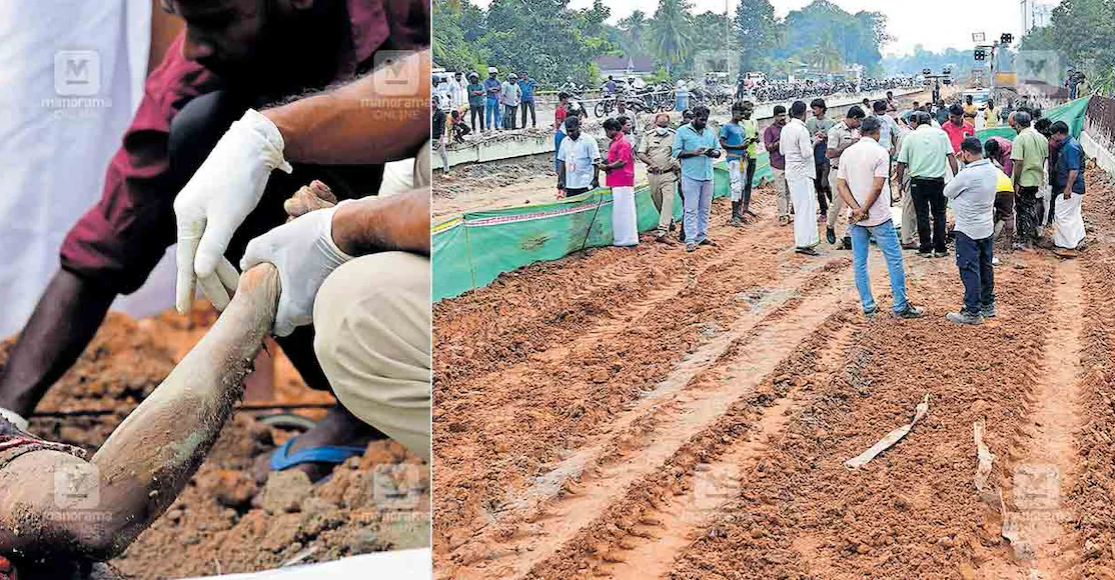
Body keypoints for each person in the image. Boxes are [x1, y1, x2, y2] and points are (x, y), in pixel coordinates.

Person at [0, 1, 429, 483]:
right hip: (377, 255)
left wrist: (347, 224)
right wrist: (8, 414)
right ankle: (355, 403)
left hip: (429, 229)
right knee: (199, 128)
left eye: (216, 19)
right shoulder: (196, 74)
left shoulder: (414, 16)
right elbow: (107, 242)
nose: (192, 46)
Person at [835, 116, 925, 319]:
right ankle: (900, 305)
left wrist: (856, 210)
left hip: (856, 218)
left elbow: (841, 186)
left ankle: (868, 305)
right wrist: (865, 208)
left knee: (860, 262)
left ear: (860, 131)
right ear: (876, 132)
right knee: (893, 260)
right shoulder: (880, 153)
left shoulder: (848, 153)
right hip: (879, 216)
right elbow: (877, 186)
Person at [943, 137, 998, 325]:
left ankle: (972, 311)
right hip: (986, 226)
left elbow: (948, 192)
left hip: (968, 228)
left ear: (965, 153)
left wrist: (960, 165)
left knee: (969, 268)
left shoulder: (967, 174)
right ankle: (987, 304)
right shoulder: (992, 170)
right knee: (985, 265)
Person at [896, 111, 958, 258]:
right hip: (938, 181)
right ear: (930, 121)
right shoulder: (941, 135)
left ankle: (925, 248)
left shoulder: (910, 136)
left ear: (916, 122)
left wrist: (899, 182)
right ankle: (940, 248)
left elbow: (901, 163)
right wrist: (956, 176)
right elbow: (951, 156)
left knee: (922, 215)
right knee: (940, 215)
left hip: (918, 182)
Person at [672, 105, 721, 253]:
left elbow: (718, 151)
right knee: (691, 209)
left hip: (707, 174)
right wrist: (694, 152)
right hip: (690, 175)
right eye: (701, 119)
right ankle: (690, 239)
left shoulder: (710, 131)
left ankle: (702, 235)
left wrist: (713, 153)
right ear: (694, 117)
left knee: (705, 208)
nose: (704, 122)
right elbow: (676, 152)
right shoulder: (682, 131)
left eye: (706, 120)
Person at [782, 100, 821, 255]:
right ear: (805, 113)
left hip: (791, 171)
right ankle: (805, 243)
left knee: (800, 208)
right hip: (803, 172)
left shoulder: (786, 128)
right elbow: (806, 153)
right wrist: (815, 142)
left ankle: (803, 241)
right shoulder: (801, 130)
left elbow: (783, 151)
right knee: (806, 208)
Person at [825, 106, 866, 249]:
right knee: (837, 202)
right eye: (859, 120)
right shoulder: (835, 131)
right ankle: (830, 226)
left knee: (854, 203)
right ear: (854, 118)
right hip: (837, 171)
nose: (860, 123)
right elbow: (830, 153)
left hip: (853, 171)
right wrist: (850, 145)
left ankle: (849, 235)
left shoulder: (858, 132)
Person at [639, 112, 680, 243]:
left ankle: (662, 231)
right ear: (654, 124)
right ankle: (670, 220)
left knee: (668, 201)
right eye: (660, 125)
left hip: (668, 174)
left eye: (665, 125)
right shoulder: (648, 136)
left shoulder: (674, 136)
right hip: (653, 175)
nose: (662, 128)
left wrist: (677, 165)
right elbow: (640, 153)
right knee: (658, 201)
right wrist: (652, 163)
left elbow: (678, 152)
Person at [1009, 111, 1048, 249]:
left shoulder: (1020, 139)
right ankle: (1032, 235)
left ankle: (1026, 242)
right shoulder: (1041, 137)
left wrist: (1017, 182)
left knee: (1022, 210)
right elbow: (1044, 159)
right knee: (1031, 206)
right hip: (1036, 178)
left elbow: (1018, 162)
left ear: (1018, 125)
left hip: (1024, 180)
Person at [597, 118, 638, 247]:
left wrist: (607, 167)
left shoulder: (623, 143)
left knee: (624, 211)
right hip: (616, 180)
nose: (606, 134)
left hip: (622, 180)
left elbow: (622, 161)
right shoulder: (615, 142)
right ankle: (621, 238)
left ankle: (627, 239)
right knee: (620, 211)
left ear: (612, 130)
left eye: (606, 131)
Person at [1048, 121, 1086, 257]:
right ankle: (1078, 238)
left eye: (1053, 135)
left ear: (1059, 133)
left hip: (1071, 187)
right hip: (1076, 187)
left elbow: (1074, 170)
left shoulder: (1070, 147)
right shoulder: (1070, 144)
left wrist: (1068, 188)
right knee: (1073, 213)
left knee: (1062, 215)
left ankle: (1068, 247)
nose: (1052, 138)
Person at [719, 102, 750, 226]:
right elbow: (722, 143)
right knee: (736, 185)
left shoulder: (741, 127)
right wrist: (738, 147)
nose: (742, 115)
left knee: (741, 185)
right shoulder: (727, 127)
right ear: (734, 112)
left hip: (742, 159)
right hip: (733, 159)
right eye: (740, 113)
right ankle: (734, 214)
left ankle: (738, 212)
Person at [806, 98, 836, 223]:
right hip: (814, 156)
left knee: (824, 183)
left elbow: (835, 139)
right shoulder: (810, 123)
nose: (813, 110)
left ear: (822, 109)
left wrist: (826, 137)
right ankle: (824, 210)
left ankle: (834, 204)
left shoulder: (831, 123)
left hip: (826, 156)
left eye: (815, 108)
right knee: (818, 185)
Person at [556, 116, 600, 199]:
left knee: (587, 207)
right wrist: (560, 179)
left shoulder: (589, 140)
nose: (570, 134)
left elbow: (596, 161)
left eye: (572, 131)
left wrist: (595, 179)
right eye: (568, 131)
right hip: (570, 183)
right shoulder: (564, 141)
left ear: (578, 127)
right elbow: (561, 161)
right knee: (572, 208)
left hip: (585, 183)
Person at [984, 137, 1015, 245]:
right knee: (1008, 215)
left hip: (993, 188)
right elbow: (1007, 175)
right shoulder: (992, 143)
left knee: (987, 213)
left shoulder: (1007, 154)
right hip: (1007, 188)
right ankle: (1008, 243)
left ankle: (988, 240)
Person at [764, 105, 791, 226]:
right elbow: (768, 147)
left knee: (789, 190)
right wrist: (780, 142)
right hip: (777, 164)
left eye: (784, 115)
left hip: (789, 163)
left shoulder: (788, 128)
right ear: (774, 116)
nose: (782, 118)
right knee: (781, 191)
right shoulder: (769, 130)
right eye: (780, 115)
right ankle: (782, 215)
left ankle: (787, 213)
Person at [873, 100, 899, 201]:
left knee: (874, 177)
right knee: (886, 176)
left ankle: (877, 199)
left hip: (873, 152)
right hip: (886, 152)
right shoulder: (889, 119)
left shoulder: (871, 119)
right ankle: (889, 200)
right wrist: (895, 147)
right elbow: (895, 134)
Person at [432, 95, 449, 173]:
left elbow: (442, 127)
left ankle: (446, 170)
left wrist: (440, 140)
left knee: (442, 154)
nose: (432, 104)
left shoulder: (441, 113)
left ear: (437, 103)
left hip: (437, 137)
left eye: (433, 102)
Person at [485, 66, 502, 132]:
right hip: (490, 98)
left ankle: (497, 126)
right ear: (490, 74)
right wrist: (494, 89)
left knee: (497, 113)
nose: (494, 75)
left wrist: (493, 89)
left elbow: (499, 88)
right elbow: (488, 89)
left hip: (497, 98)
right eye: (492, 73)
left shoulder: (497, 81)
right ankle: (488, 126)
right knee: (489, 113)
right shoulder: (487, 81)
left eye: (495, 73)